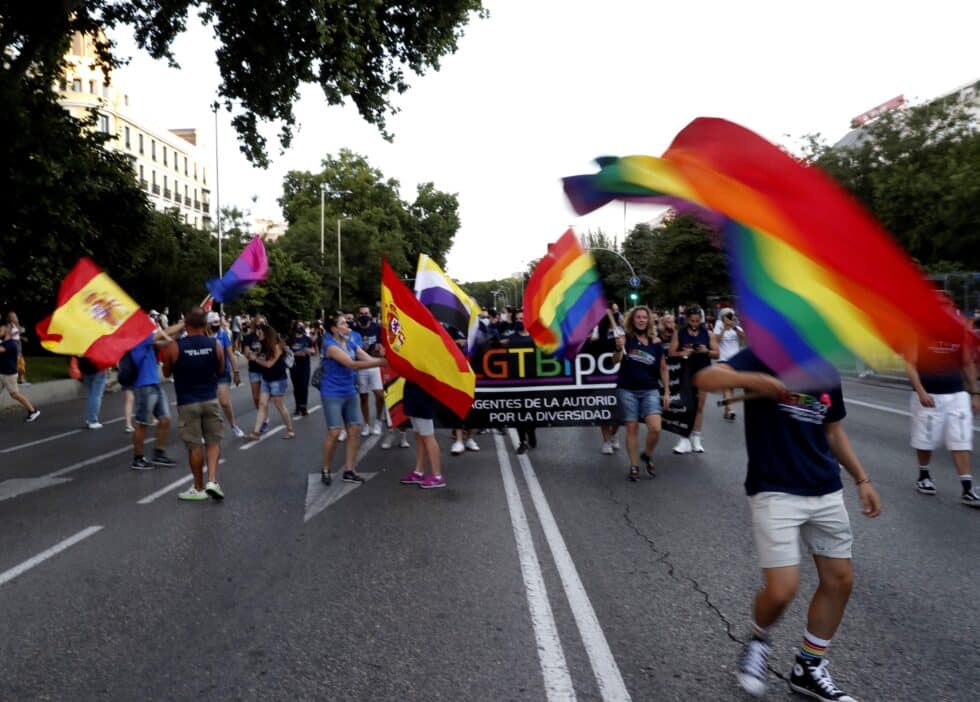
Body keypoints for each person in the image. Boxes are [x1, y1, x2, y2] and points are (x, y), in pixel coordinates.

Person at [694, 348, 881, 701]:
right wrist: (753, 381)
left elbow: (833, 432)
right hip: (775, 488)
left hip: (824, 487)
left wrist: (862, 479)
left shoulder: (826, 368)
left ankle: (809, 667)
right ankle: (759, 639)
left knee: (840, 580)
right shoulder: (762, 355)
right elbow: (705, 379)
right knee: (782, 590)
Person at [906, 323, 980, 507]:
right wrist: (920, 390)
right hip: (929, 394)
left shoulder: (958, 331)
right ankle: (923, 475)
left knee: (960, 439)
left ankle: (967, 489)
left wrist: (975, 393)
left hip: (957, 393)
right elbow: (910, 363)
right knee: (925, 438)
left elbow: (967, 362)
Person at [162, 307, 225, 501]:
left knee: (194, 445)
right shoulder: (215, 344)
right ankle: (212, 481)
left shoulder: (175, 346)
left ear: (186, 325)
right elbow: (221, 369)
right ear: (205, 325)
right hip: (210, 399)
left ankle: (198, 488)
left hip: (187, 402)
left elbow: (166, 373)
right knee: (213, 441)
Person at [317, 314, 387, 485]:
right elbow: (352, 364)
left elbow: (367, 359)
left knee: (354, 430)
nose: (347, 324)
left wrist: (383, 359)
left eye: (346, 322)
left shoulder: (349, 342)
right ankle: (326, 468)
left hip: (349, 390)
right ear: (334, 329)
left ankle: (349, 470)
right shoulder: (330, 346)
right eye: (342, 323)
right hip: (332, 392)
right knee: (334, 432)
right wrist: (381, 362)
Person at [612, 306, 671, 481]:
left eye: (644, 317)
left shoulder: (656, 342)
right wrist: (618, 349)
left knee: (655, 428)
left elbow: (663, 367)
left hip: (650, 389)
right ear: (632, 319)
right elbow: (614, 360)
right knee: (632, 427)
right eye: (638, 317)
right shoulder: (625, 339)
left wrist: (667, 391)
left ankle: (647, 453)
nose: (641, 320)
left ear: (649, 320)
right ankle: (634, 465)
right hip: (627, 389)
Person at [129, 320, 183, 469]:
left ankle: (159, 453)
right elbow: (163, 334)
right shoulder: (139, 338)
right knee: (142, 423)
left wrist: (179, 331)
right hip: (144, 385)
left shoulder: (148, 341)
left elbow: (166, 341)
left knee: (165, 419)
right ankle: (138, 458)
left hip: (154, 384)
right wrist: (181, 324)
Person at [669, 306, 719, 453]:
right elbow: (671, 352)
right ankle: (684, 438)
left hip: (703, 371)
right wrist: (683, 352)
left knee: (699, 406)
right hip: (685, 372)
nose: (695, 323)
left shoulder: (708, 333)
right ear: (687, 319)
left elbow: (717, 353)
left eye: (697, 321)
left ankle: (696, 437)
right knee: (685, 405)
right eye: (692, 320)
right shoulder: (680, 333)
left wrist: (706, 351)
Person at [247, 323, 295, 440]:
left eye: (260, 332)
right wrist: (253, 355)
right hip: (266, 379)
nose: (257, 334)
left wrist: (255, 359)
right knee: (262, 404)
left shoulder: (276, 346)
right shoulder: (262, 345)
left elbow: (269, 364)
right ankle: (256, 432)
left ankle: (290, 429)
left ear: (266, 334)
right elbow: (259, 357)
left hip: (278, 379)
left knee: (279, 405)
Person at [399, 380, 446, 488]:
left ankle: (437, 476)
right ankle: (419, 472)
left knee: (428, 436)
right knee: (419, 436)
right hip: (413, 390)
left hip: (423, 394)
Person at [207, 312, 245, 438]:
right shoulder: (203, 336)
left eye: (218, 322)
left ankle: (234, 425)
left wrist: (236, 372)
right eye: (214, 323)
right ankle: (205, 429)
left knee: (224, 402)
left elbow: (231, 354)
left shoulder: (223, 335)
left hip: (222, 373)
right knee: (207, 404)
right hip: (207, 375)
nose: (216, 325)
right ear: (207, 324)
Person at [354, 305, 386, 436]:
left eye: (366, 313)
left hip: (375, 365)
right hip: (361, 366)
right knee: (363, 397)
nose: (364, 316)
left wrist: (380, 349)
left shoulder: (377, 328)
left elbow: (384, 346)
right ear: (358, 315)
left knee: (379, 395)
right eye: (361, 314)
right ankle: (366, 424)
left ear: (370, 314)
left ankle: (378, 421)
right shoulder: (355, 331)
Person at [0, 322, 40, 422]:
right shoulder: (4, 342)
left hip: (9, 375)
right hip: (2, 373)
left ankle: (33, 411)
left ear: (8, 332)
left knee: (14, 394)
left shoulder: (11, 344)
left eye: (1, 330)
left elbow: (1, 350)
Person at [712, 308, 746, 420]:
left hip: (735, 359)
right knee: (727, 385)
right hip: (723, 359)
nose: (730, 317)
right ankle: (730, 409)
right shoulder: (719, 324)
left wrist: (734, 326)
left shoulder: (736, 325)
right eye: (728, 315)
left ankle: (727, 410)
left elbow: (744, 337)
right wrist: (724, 329)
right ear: (722, 316)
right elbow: (716, 340)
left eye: (731, 315)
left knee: (730, 386)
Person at [241, 316, 266, 430]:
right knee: (256, 397)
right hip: (254, 370)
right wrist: (252, 354)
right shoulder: (249, 337)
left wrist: (255, 354)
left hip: (266, 369)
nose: (260, 325)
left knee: (264, 398)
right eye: (258, 323)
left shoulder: (267, 336)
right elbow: (246, 353)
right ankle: (262, 416)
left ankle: (264, 420)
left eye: (262, 323)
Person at [287, 321, 315, 417]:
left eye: (302, 326)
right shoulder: (290, 340)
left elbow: (313, 351)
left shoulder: (307, 339)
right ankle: (298, 406)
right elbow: (286, 352)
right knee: (297, 387)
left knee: (304, 385)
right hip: (294, 366)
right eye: (298, 326)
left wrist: (307, 351)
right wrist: (295, 353)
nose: (300, 328)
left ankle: (304, 406)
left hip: (305, 365)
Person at [78, 356, 107, 429]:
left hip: (84, 368)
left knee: (91, 394)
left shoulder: (80, 345)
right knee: (96, 395)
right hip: (98, 368)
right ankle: (93, 421)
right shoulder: (98, 344)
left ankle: (89, 418)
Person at [6, 311, 28, 384]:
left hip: (18, 344)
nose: (15, 317)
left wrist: (22, 337)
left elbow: (16, 335)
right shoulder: (9, 326)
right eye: (13, 316)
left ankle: (20, 379)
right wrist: (18, 332)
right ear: (10, 318)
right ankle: (19, 379)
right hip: (13, 344)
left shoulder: (16, 325)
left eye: (15, 316)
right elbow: (8, 336)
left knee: (20, 361)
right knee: (19, 362)